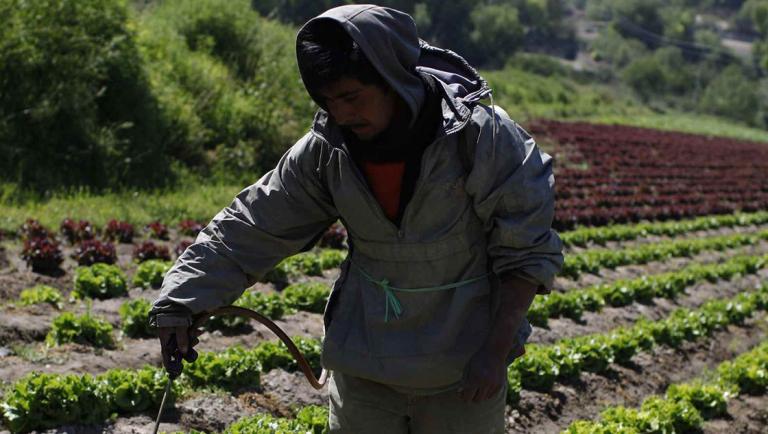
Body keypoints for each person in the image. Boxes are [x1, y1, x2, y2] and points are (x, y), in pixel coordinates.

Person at [149, 4, 564, 433]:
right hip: (365, 365)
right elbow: (254, 223)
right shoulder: (327, 151)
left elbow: (527, 249)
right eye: (329, 101)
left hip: (463, 370)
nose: (343, 114)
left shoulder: (480, 140)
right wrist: (182, 298)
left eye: (351, 96)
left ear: (394, 80)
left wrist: (494, 354)